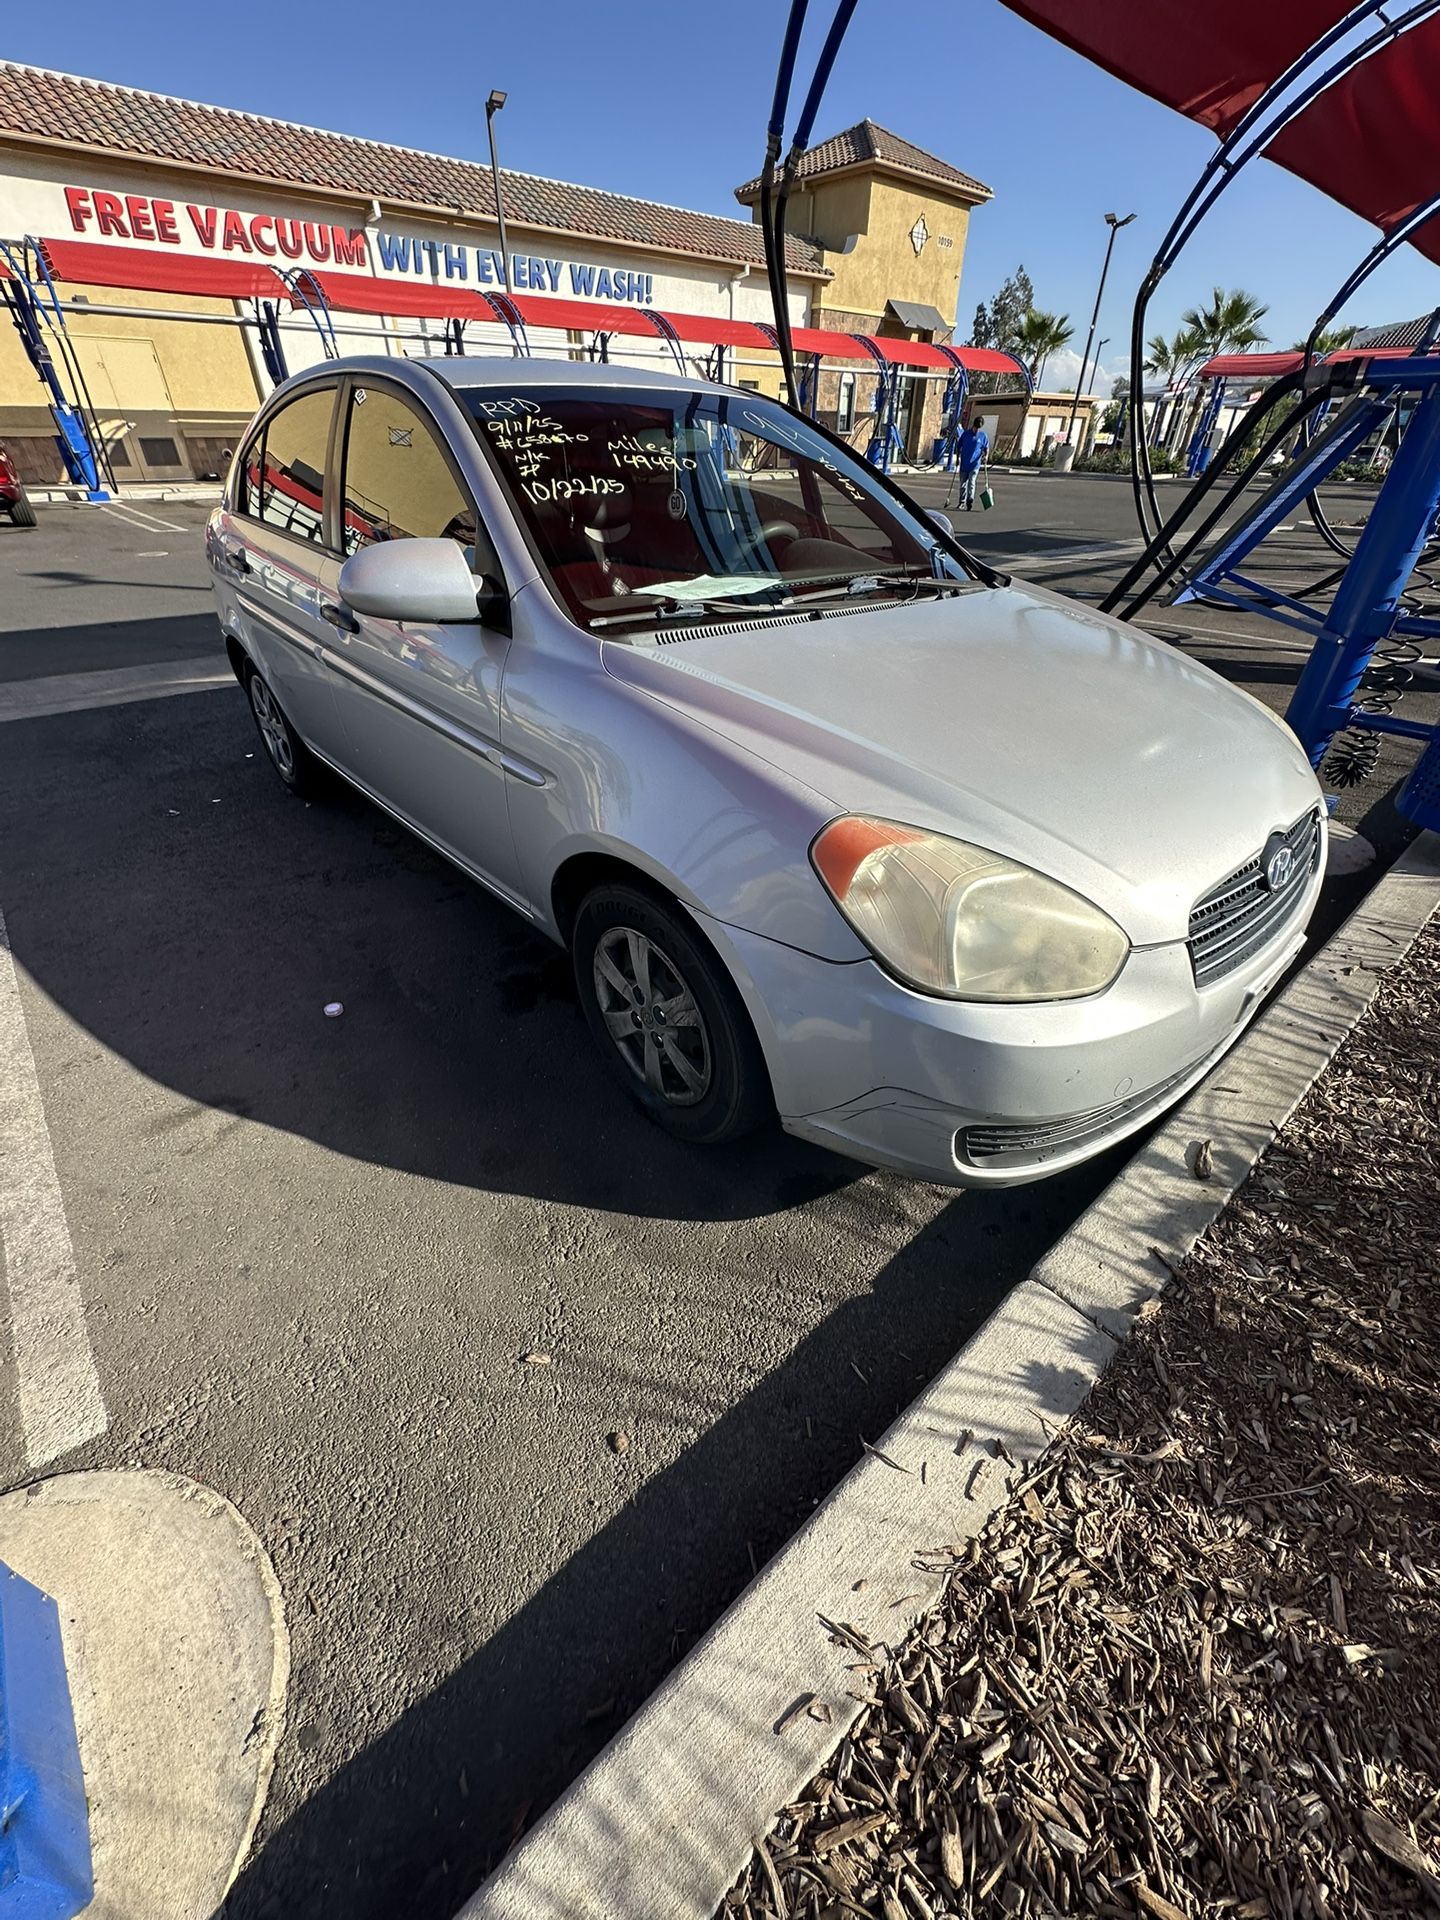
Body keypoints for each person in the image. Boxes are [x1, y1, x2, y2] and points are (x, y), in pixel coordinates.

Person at [951, 416, 989, 510]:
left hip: (975, 464)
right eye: (976, 428)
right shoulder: (965, 434)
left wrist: (986, 456)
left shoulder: (983, 436)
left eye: (978, 428)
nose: (976, 430)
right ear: (973, 426)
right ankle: (962, 502)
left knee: (971, 483)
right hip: (964, 463)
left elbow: (986, 448)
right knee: (963, 484)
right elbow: (959, 446)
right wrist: (958, 458)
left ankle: (969, 500)